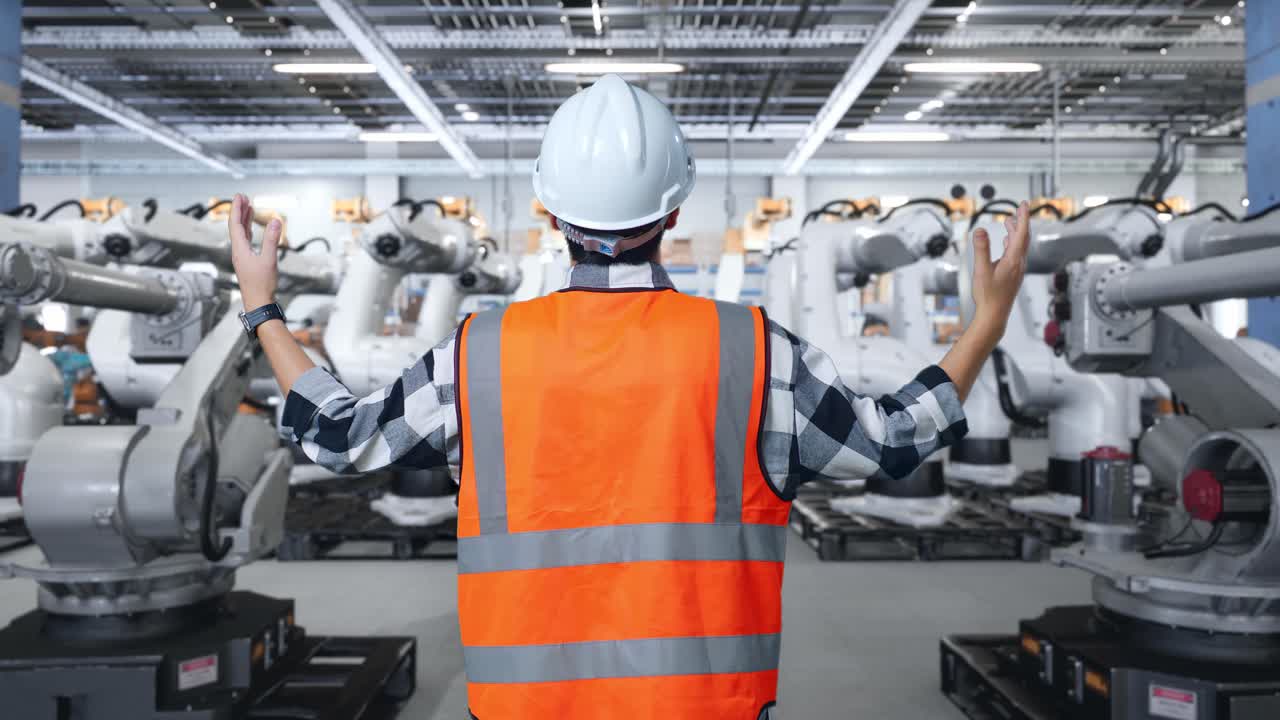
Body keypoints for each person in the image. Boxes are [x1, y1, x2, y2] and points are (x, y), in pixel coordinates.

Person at [229, 74, 1031, 719]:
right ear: (675, 210)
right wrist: (984, 323)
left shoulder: (475, 356)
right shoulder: (750, 350)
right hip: (704, 703)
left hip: (525, 704)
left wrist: (264, 309)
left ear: (547, 211)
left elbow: (336, 435)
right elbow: (897, 441)